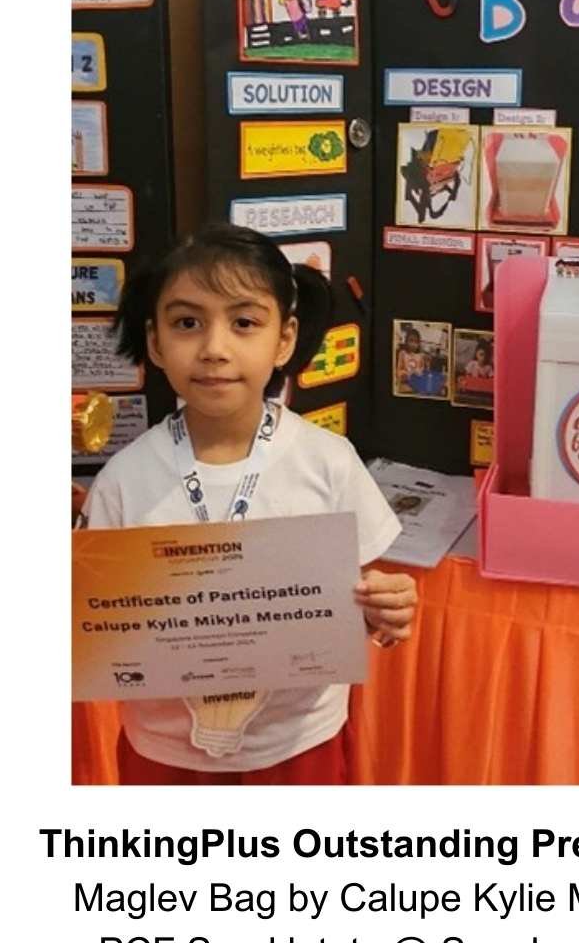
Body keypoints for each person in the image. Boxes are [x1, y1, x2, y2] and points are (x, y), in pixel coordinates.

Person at [78, 222, 417, 785]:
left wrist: (387, 607)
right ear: (156, 342)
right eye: (187, 323)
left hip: (301, 742)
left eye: (244, 323)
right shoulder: (124, 480)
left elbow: (364, 593)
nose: (215, 349)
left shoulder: (328, 462)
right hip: (163, 752)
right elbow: (100, 627)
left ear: (284, 339)